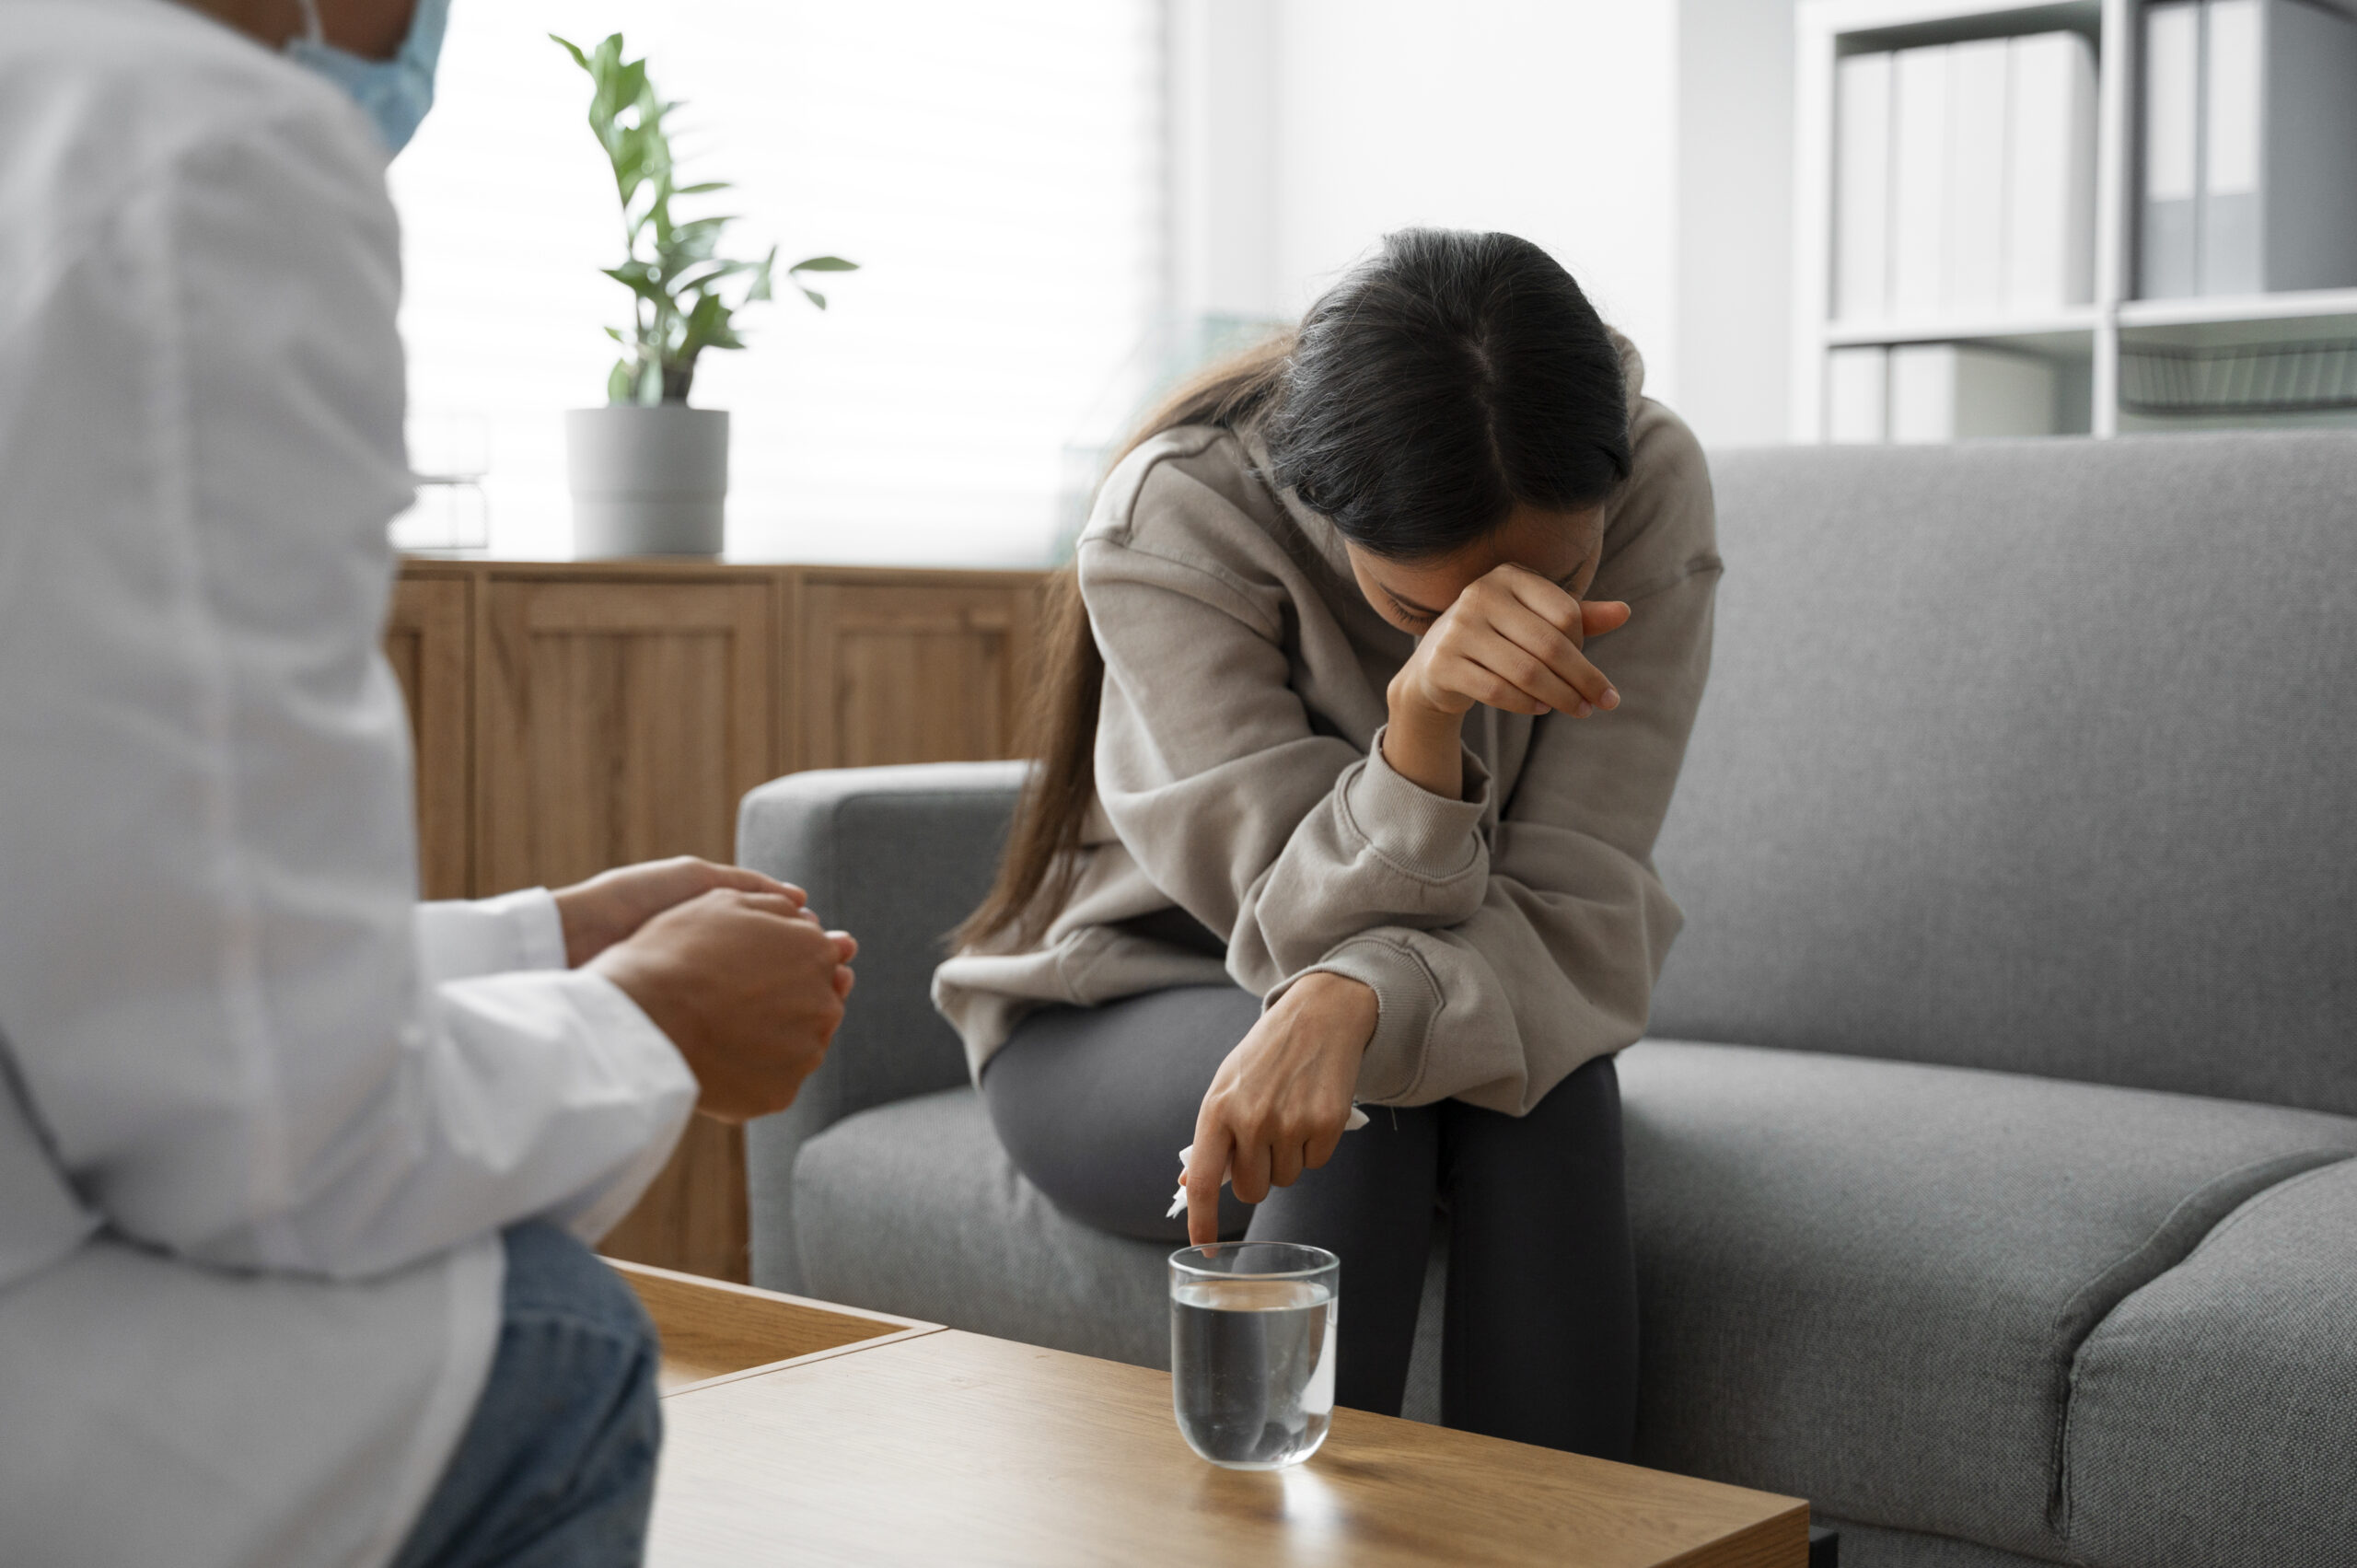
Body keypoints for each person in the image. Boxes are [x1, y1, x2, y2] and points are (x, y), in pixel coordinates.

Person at [0, 1, 855, 1564]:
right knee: (560, 1348)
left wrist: (551, 937)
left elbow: (81, 931)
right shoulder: (201, 154)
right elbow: (268, 1159)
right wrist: (649, 1021)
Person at [936, 228, 1720, 1457]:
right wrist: (1422, 720)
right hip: (1123, 999)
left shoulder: (1652, 478)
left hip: (1383, 986)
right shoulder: (1177, 514)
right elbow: (1289, 923)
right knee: (1377, 1099)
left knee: (1548, 1085)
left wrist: (1352, 998)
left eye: (1557, 583)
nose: (1495, 630)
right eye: (1416, 609)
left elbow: (1580, 899)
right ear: (1322, 502)